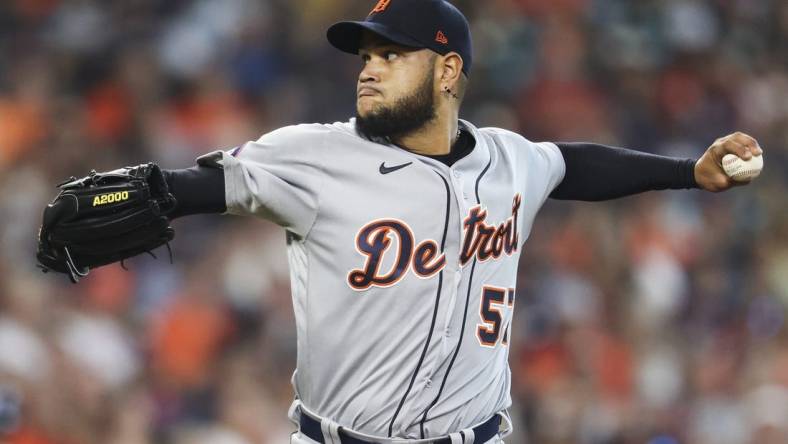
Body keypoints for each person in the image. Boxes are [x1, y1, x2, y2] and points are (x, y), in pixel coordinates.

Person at [51, 1, 764, 443]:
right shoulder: (313, 156)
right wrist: (154, 195)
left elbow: (575, 165)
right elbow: (201, 187)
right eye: (367, 56)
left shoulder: (509, 159)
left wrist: (685, 173)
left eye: (392, 55)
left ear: (449, 73)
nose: (369, 69)